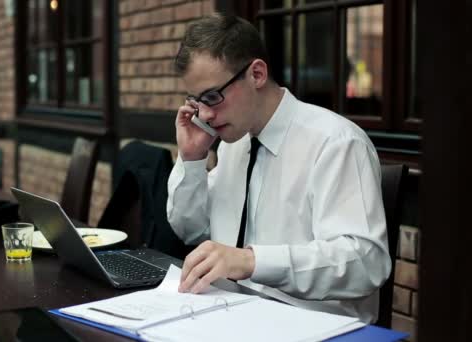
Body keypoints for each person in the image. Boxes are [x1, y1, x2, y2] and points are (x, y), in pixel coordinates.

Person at [166, 13, 391, 324]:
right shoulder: (235, 143)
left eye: (212, 97)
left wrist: (252, 261)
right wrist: (191, 160)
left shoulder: (336, 142)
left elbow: (365, 263)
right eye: (195, 101)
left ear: (257, 74)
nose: (205, 114)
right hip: (229, 319)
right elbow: (192, 230)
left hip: (315, 327)